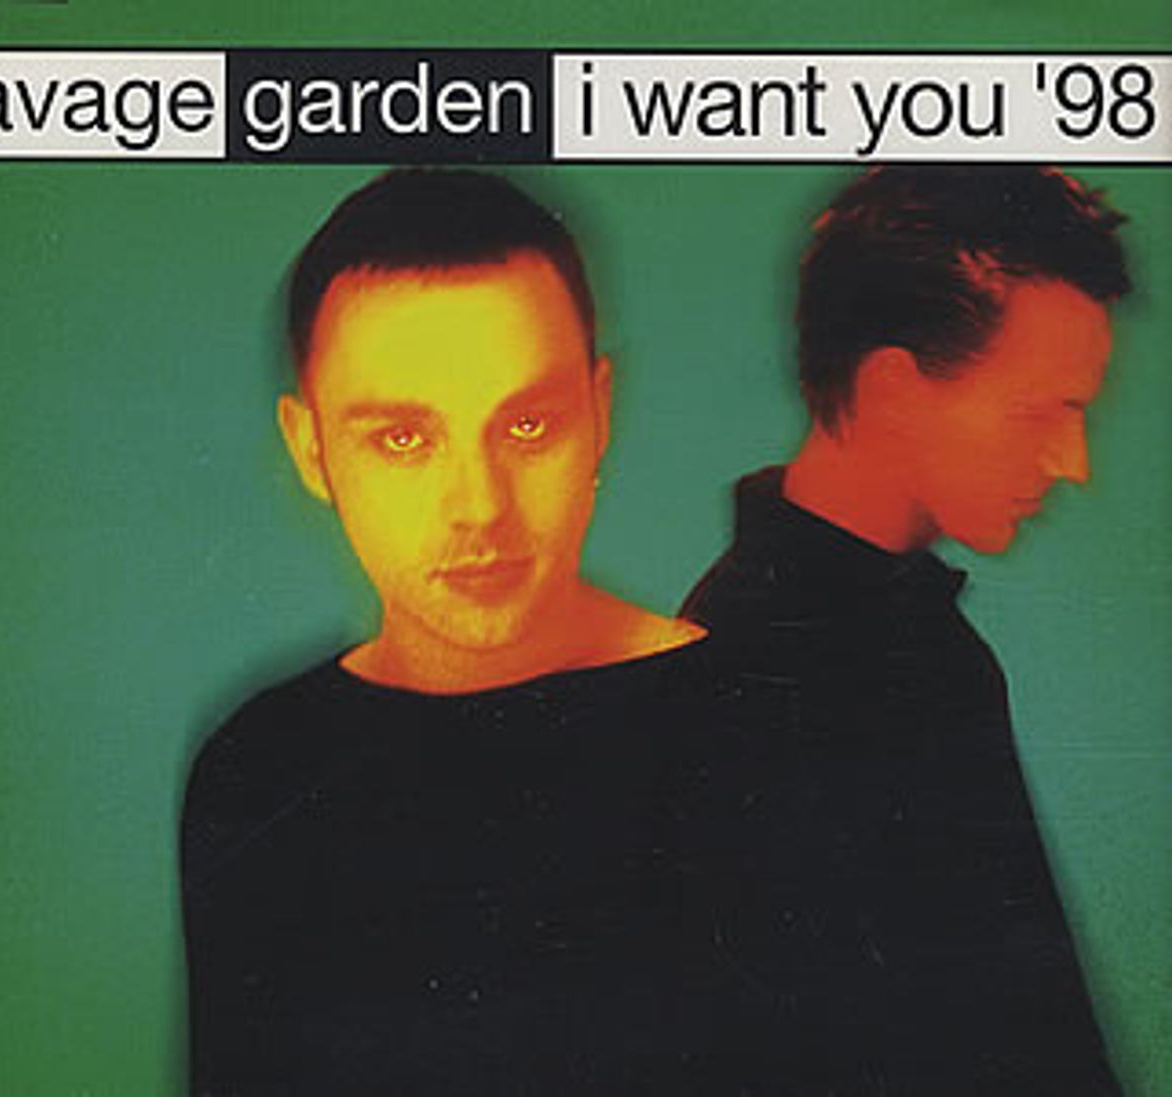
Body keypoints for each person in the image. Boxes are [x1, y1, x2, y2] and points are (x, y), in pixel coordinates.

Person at [181, 169, 789, 1095]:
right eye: (403, 439)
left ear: (600, 414)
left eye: (529, 424)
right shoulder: (258, 768)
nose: (479, 505)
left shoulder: (771, 740)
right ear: (311, 451)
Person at [682, 166, 1128, 1094]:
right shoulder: (745, 685)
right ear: (892, 390)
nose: (1074, 462)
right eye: (1040, 412)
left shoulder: (927, 649)